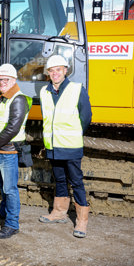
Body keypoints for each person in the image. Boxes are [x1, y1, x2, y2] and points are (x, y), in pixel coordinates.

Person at [38, 55, 92, 238]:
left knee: (76, 181)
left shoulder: (77, 89)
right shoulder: (44, 92)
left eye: (58, 70)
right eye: (51, 70)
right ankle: (59, 212)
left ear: (65, 71)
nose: (55, 73)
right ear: (48, 73)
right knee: (59, 180)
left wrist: (75, 133)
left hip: (70, 145)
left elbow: (86, 117)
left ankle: (82, 221)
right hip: (53, 146)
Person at [0, 64, 31, 239]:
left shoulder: (18, 99)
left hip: (8, 151)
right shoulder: (0, 97)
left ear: (13, 80)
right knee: (1, 184)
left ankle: (12, 224)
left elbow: (12, 128)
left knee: (10, 189)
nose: (1, 82)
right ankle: (4, 211)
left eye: (5, 79)